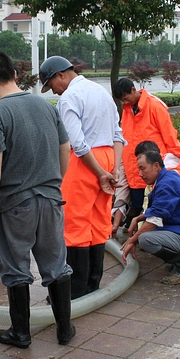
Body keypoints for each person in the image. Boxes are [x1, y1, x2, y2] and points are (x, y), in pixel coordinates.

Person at [0, 51, 75, 349]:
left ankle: (21, 333)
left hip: (15, 204)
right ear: (16, 75)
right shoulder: (45, 105)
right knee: (56, 264)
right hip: (50, 200)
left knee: (16, 267)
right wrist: (54, 183)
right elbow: (66, 148)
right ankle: (64, 329)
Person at [39, 56, 125, 299]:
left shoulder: (69, 98)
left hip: (85, 163)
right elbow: (118, 134)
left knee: (75, 224)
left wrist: (99, 173)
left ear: (61, 76)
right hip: (108, 156)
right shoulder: (101, 92)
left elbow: (74, 143)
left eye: (51, 85)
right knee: (99, 223)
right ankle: (92, 285)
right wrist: (114, 169)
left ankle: (74, 291)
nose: (53, 91)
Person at [121, 150, 180, 285]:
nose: (140, 174)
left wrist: (132, 240)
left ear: (156, 166)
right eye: (139, 169)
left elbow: (155, 218)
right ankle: (178, 261)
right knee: (147, 232)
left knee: (145, 239)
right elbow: (159, 211)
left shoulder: (166, 184)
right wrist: (137, 218)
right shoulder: (167, 178)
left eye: (143, 168)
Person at [112, 78, 180, 227]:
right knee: (138, 200)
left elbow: (169, 134)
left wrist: (177, 158)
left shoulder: (154, 106)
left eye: (126, 98)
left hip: (151, 165)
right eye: (122, 100)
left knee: (152, 202)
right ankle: (138, 228)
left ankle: (146, 230)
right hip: (134, 166)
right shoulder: (127, 109)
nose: (126, 102)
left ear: (133, 89)